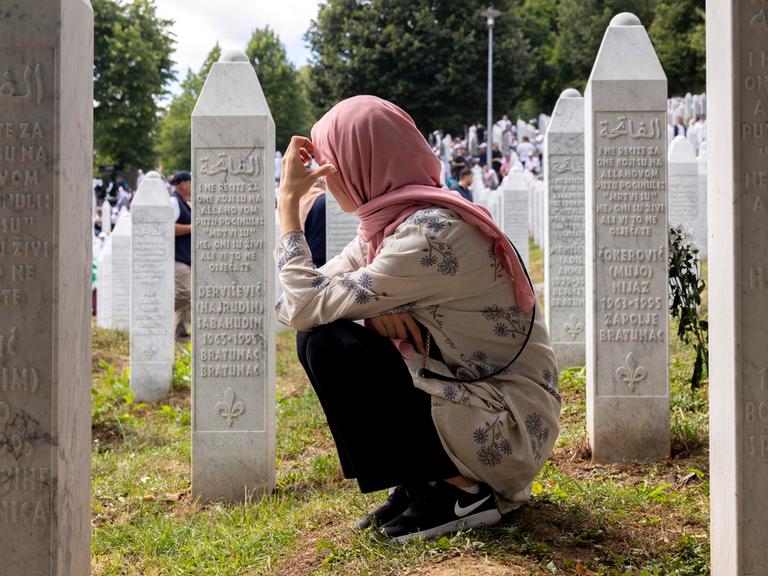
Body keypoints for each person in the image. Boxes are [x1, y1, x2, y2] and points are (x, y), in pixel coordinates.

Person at [275, 96, 560, 542]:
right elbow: (294, 307)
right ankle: (422, 481)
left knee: (330, 344)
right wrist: (377, 310)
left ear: (360, 162)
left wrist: (288, 208)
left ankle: (461, 494)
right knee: (318, 338)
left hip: (507, 428)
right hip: (472, 397)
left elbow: (305, 303)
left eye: (329, 167)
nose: (325, 183)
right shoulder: (384, 227)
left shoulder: (430, 232)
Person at [169, 171, 192, 340]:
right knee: (184, 293)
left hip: (185, 256)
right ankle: (156, 315)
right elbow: (169, 227)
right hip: (177, 257)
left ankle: (180, 332)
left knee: (186, 298)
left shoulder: (183, 202)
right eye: (190, 183)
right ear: (184, 184)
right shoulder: (173, 201)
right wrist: (191, 228)